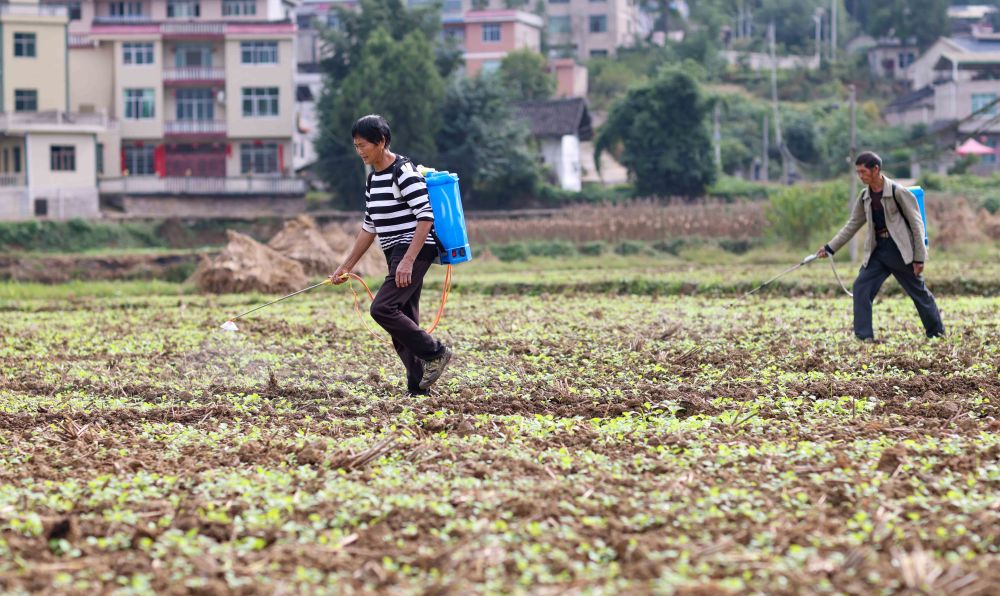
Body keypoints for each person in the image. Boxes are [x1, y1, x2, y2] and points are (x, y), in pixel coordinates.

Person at [331, 115, 453, 395]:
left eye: (363, 145)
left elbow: (425, 216)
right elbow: (369, 227)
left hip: (413, 249)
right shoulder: (373, 180)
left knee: (382, 309)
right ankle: (418, 388)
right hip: (393, 252)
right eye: (356, 146)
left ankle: (436, 352)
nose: (360, 151)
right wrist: (345, 266)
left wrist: (408, 260)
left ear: (381, 142)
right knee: (402, 322)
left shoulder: (403, 171)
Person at [816, 151, 944, 341]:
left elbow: (917, 225)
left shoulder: (898, 192)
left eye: (863, 171)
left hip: (900, 250)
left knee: (918, 292)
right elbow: (852, 224)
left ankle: (937, 333)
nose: (860, 176)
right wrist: (830, 248)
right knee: (861, 287)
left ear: (876, 169)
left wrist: (919, 258)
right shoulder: (865, 196)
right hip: (878, 250)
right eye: (858, 172)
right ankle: (864, 336)